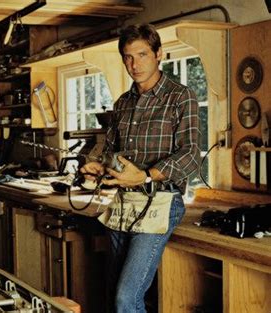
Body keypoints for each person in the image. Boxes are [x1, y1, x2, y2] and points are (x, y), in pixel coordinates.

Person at [80, 24, 200, 312]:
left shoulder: (180, 96)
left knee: (126, 298)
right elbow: (111, 153)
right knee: (116, 293)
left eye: (142, 54)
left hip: (161, 201)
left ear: (159, 54)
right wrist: (97, 168)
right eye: (128, 57)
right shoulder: (122, 103)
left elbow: (192, 154)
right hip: (124, 204)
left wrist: (146, 175)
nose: (134, 64)